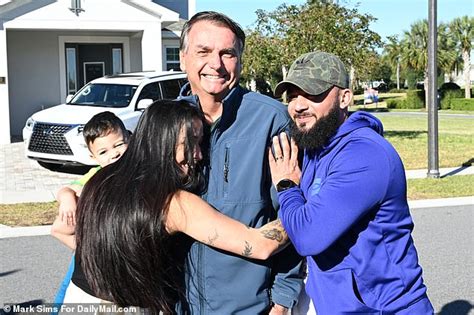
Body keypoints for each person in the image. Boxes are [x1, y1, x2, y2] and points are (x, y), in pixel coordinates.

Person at [73, 100, 289, 313]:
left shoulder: (100, 182)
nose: (199, 154)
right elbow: (260, 245)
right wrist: (297, 199)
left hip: (78, 298)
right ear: (164, 140)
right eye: (191, 142)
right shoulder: (172, 204)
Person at [269, 51, 434, 314]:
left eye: (313, 94)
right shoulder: (315, 145)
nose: (298, 105)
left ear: (345, 98)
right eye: (292, 96)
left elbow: (307, 236)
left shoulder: (364, 155)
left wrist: (287, 186)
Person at [177, 11, 303, 314]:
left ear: (241, 61)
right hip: (177, 303)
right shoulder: (164, 121)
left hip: (250, 306)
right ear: (182, 59)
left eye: (227, 53)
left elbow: (292, 210)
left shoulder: (272, 120)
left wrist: (283, 299)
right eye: (203, 51)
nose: (216, 64)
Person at [50, 111, 130, 309]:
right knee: (66, 292)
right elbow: (65, 190)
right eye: (103, 152)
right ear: (92, 157)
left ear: (130, 138)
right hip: (94, 254)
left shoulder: (138, 172)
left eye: (119, 144)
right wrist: (67, 198)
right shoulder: (96, 177)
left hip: (118, 259)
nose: (114, 154)